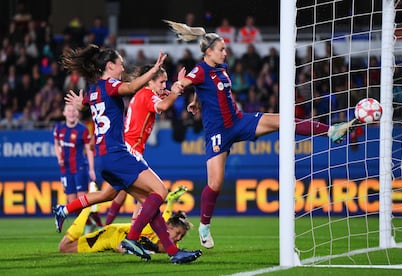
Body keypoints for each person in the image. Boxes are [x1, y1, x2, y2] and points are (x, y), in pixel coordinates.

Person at [163, 20, 356, 249]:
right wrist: (177, 86)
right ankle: (204, 226)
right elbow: (186, 82)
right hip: (218, 133)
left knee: (284, 120)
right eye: (221, 49)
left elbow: (204, 89)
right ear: (209, 52)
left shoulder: (221, 68)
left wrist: (196, 102)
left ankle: (330, 131)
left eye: (225, 49)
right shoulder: (200, 69)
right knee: (215, 184)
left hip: (239, 121)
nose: (226, 52)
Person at [54, 44, 201, 264]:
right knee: (159, 190)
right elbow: (131, 87)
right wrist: (154, 71)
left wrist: (80, 103)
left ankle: (173, 252)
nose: (122, 68)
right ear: (110, 66)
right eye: (120, 64)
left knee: (141, 201)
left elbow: (89, 102)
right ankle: (131, 238)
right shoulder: (113, 85)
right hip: (119, 153)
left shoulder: (94, 89)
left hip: (106, 157)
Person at [105, 64, 186, 225]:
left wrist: (175, 89)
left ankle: (67, 210)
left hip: (127, 148)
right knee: (155, 192)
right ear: (150, 82)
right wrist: (176, 90)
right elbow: (163, 105)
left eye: (166, 82)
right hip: (130, 150)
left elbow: (165, 99)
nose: (164, 85)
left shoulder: (144, 93)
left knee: (111, 194)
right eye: (162, 82)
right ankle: (132, 235)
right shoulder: (147, 95)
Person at [59, 186, 191, 255]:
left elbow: (163, 247)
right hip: (109, 236)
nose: (179, 238)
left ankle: (89, 208)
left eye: (182, 236)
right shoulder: (154, 226)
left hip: (115, 239)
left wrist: (171, 202)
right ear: (168, 227)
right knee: (64, 247)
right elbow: (120, 247)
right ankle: (87, 209)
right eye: (178, 232)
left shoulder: (170, 243)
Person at [53, 103, 102, 231]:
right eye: (69, 110)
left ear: (78, 113)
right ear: (64, 113)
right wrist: (59, 158)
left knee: (81, 200)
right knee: (72, 203)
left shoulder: (83, 129)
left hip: (80, 168)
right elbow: (56, 144)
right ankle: (89, 224)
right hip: (66, 170)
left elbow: (89, 150)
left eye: (74, 110)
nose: (71, 113)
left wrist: (91, 169)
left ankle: (85, 228)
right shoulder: (59, 129)